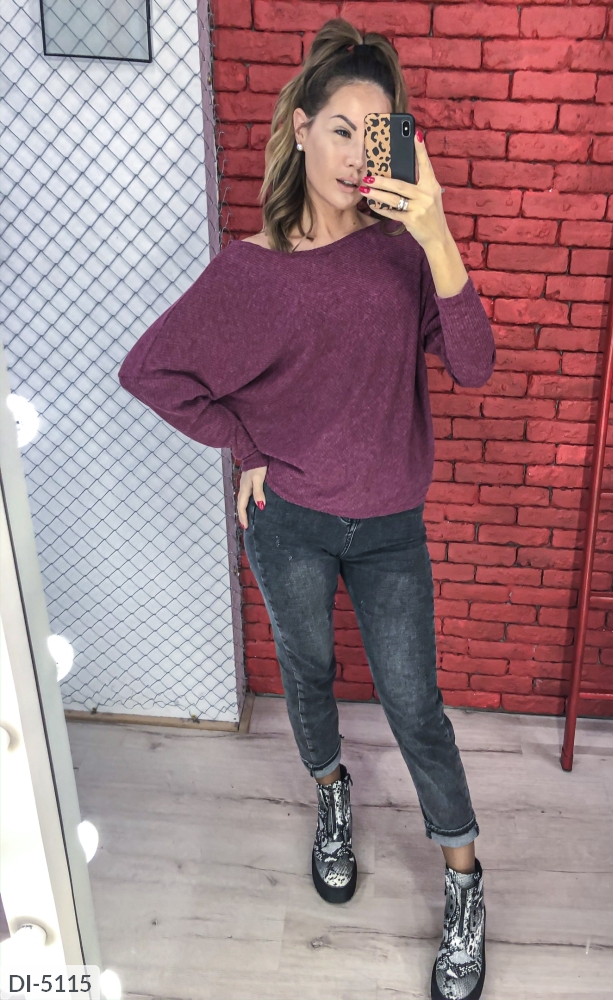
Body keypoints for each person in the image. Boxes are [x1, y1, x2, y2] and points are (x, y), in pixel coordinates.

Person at [118, 17, 496, 1000]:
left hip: (390, 529)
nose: (357, 154)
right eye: (340, 129)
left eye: (377, 133)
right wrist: (246, 446)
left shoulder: (402, 254)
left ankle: (464, 878)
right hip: (287, 523)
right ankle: (332, 798)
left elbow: (474, 365)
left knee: (415, 705)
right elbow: (152, 373)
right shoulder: (248, 273)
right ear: (299, 128)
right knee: (310, 673)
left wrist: (436, 230)